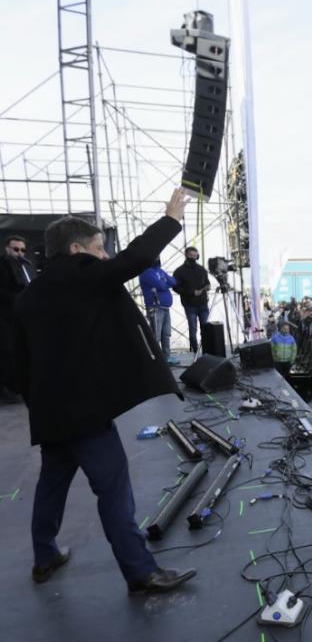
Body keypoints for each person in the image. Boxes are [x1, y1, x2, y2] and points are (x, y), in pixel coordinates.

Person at [12, 187, 196, 594]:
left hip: (50, 413)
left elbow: (17, 364)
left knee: (51, 485)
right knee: (114, 491)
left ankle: (44, 556)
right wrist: (171, 219)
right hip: (84, 414)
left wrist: (35, 402)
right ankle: (141, 571)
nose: (106, 256)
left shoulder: (28, 298)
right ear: (76, 250)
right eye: (99, 248)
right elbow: (136, 257)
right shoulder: (80, 274)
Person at [0, 234, 35, 401]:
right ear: (7, 249)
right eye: (16, 249)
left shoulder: (24, 266)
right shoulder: (3, 265)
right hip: (5, 316)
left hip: (20, 317)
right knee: (7, 351)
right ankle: (8, 388)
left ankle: (17, 386)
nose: (19, 252)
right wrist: (17, 300)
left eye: (22, 250)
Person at [138, 257, 179, 365]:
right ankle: (156, 359)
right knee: (155, 335)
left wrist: (165, 283)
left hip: (165, 308)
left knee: (166, 334)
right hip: (155, 307)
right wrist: (165, 282)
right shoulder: (146, 273)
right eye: (155, 257)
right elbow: (162, 285)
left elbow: (173, 281)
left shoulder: (160, 271)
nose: (157, 258)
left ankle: (166, 357)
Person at [172, 246, 211, 353]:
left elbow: (207, 282)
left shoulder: (201, 269)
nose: (193, 257)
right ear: (186, 255)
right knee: (193, 328)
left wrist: (208, 286)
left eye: (195, 256)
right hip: (190, 305)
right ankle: (195, 351)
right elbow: (175, 287)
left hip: (203, 304)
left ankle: (207, 350)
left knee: (206, 328)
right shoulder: (179, 271)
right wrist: (192, 293)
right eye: (191, 255)